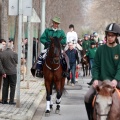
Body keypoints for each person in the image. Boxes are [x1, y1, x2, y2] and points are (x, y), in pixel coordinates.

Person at [84, 23, 120, 120]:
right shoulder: (100, 49)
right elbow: (95, 66)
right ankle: (91, 117)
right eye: (108, 35)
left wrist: (116, 79)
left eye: (112, 35)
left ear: (116, 36)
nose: (110, 37)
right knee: (87, 97)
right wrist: (95, 79)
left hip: (116, 81)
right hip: (101, 80)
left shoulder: (119, 49)